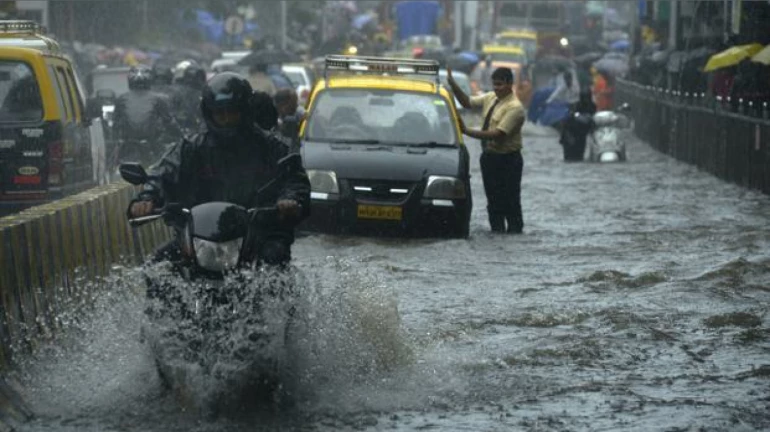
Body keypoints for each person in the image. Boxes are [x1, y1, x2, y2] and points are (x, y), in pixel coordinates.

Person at [127, 72, 311, 270]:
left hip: (258, 235)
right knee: (155, 266)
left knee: (275, 262)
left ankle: (281, 302)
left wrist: (290, 200)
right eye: (219, 113)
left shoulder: (273, 147)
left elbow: (294, 180)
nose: (226, 119)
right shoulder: (191, 147)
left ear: (245, 110)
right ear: (209, 113)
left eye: (232, 112)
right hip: (200, 237)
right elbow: (163, 172)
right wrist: (147, 198)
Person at [447, 66, 526, 234]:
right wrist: (453, 86)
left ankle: (514, 233)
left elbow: (497, 134)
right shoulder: (490, 97)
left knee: (511, 201)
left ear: (510, 84)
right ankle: (497, 233)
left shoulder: (515, 108)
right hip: (490, 158)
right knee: (493, 201)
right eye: (494, 84)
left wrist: (467, 131)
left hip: (508, 160)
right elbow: (467, 102)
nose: (496, 88)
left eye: (500, 85)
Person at [112, 65, 182, 167]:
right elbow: (170, 123)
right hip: (150, 146)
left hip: (129, 147)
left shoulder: (121, 99)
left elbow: (115, 125)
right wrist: (180, 136)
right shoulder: (159, 99)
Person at [561, 90, 596, 161]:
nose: (586, 100)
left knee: (579, 156)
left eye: (587, 97)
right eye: (584, 97)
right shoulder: (577, 107)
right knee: (569, 157)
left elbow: (593, 120)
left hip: (581, 135)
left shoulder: (592, 106)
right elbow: (567, 125)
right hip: (571, 134)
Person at [273, 88, 305, 152]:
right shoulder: (271, 119)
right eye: (293, 103)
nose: (296, 106)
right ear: (282, 105)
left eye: (296, 103)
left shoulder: (300, 114)